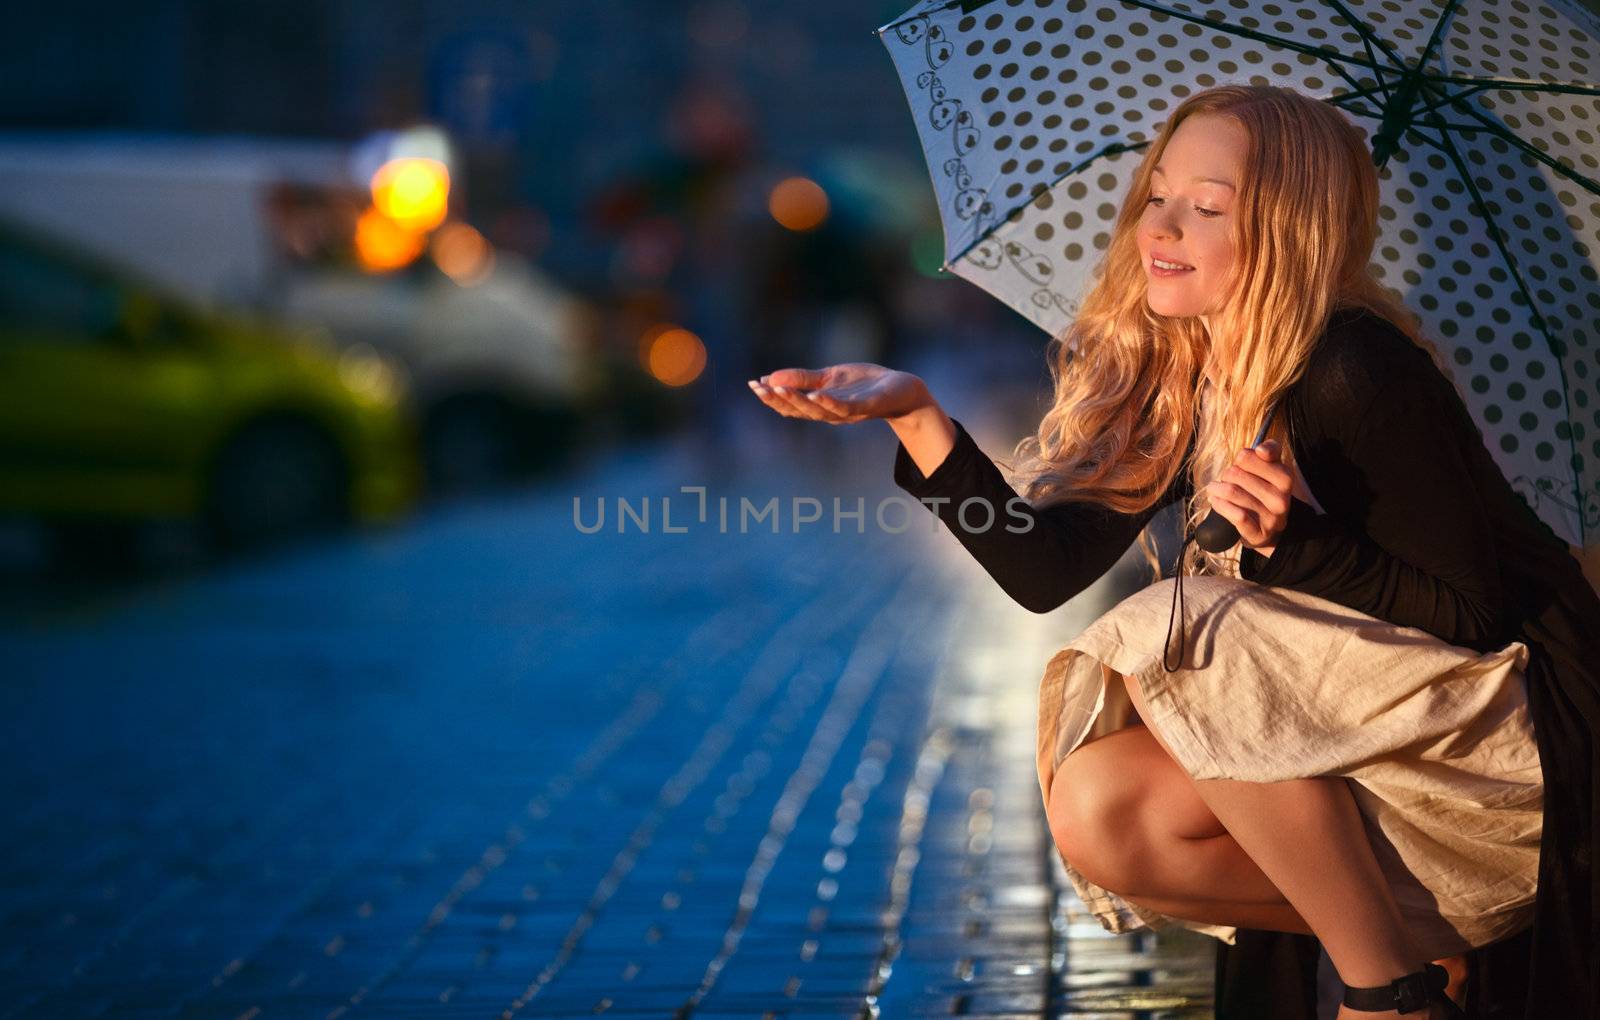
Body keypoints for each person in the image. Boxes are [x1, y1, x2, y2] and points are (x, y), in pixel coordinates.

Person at [747, 85, 1599, 1020]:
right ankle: (1419, 951)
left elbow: (1475, 614)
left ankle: (1383, 991)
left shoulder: (1355, 369)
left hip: (1517, 752)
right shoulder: (1191, 376)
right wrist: (913, 414)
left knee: (1189, 630)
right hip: (1380, 739)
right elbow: (1042, 572)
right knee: (1101, 806)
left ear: (1286, 229)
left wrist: (1296, 548)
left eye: (1209, 206)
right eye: (1158, 195)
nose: (1163, 225)